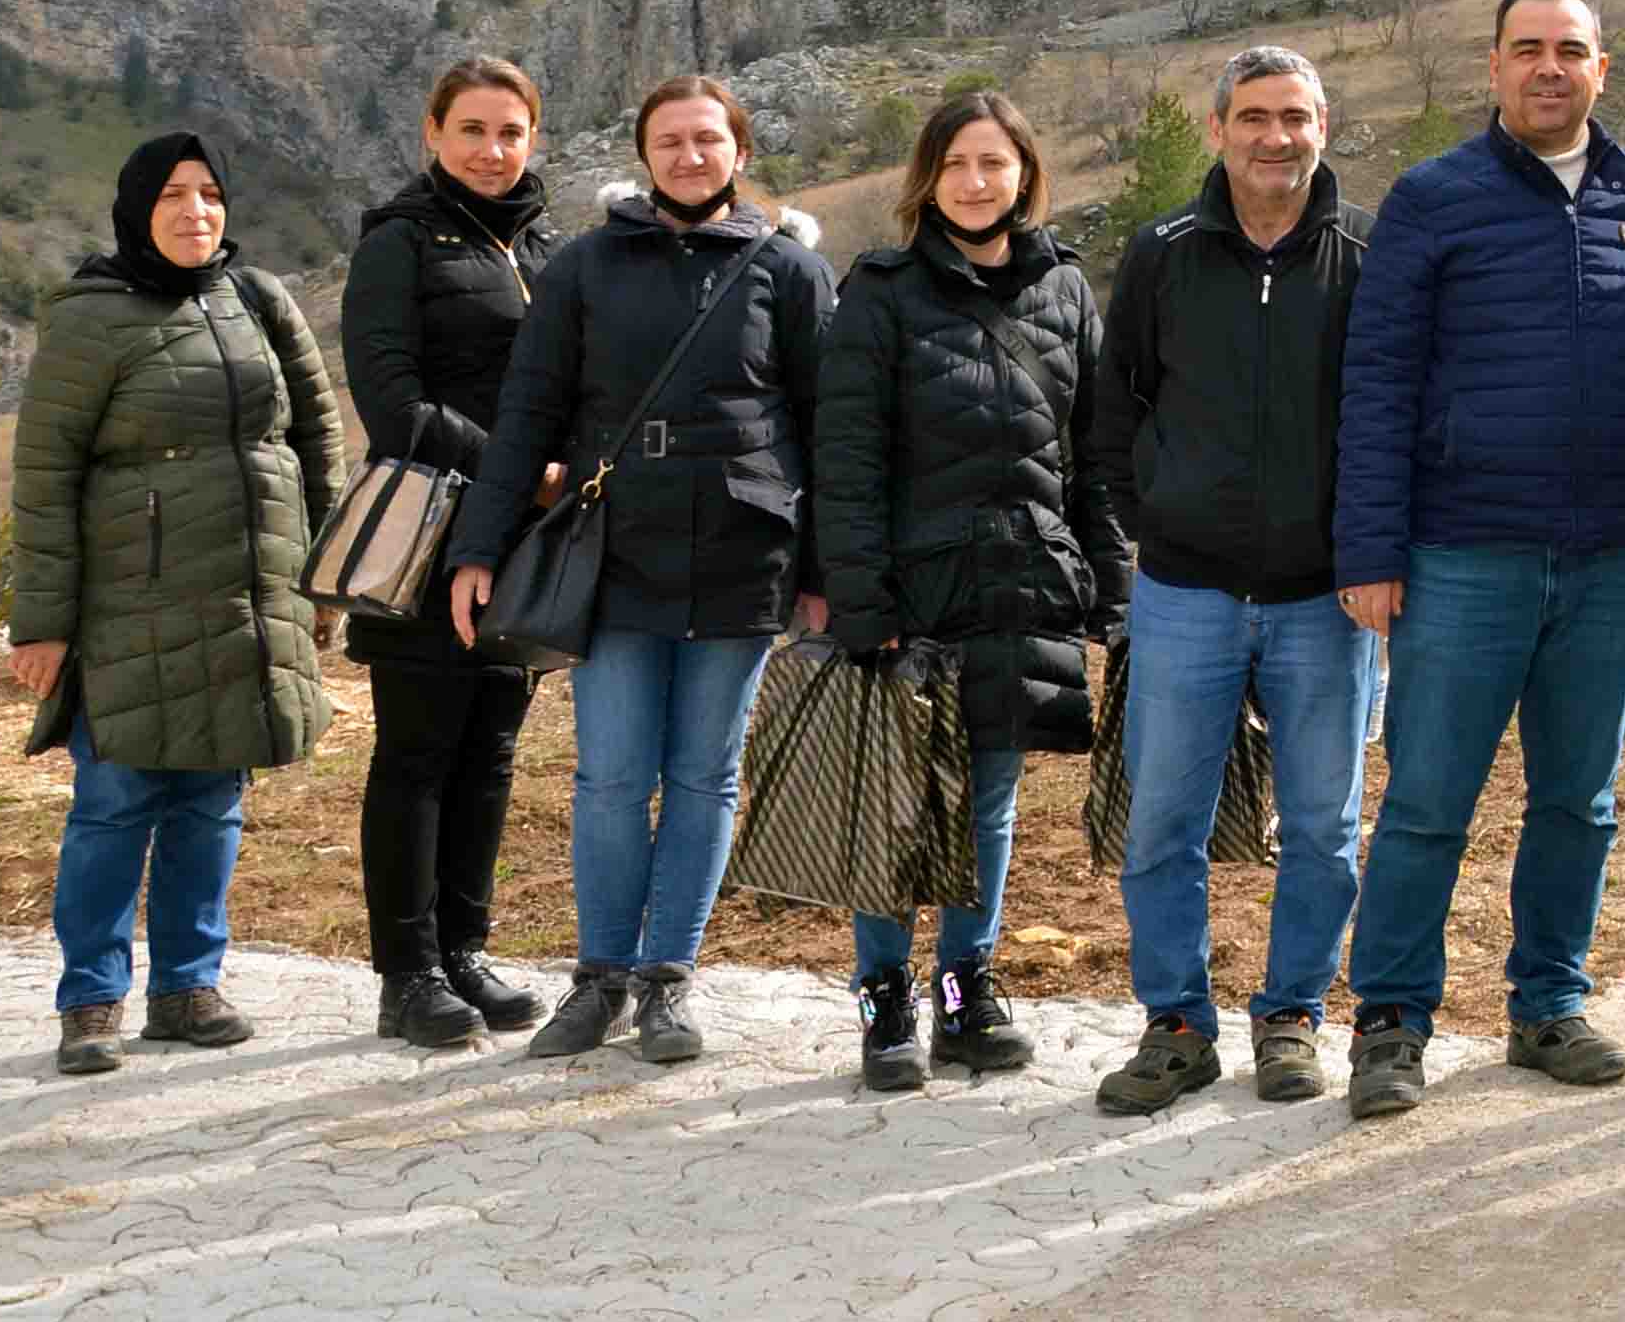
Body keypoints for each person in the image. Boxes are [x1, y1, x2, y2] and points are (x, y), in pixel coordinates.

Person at [1330, 0, 1625, 1116]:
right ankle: (1391, 1019)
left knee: (1579, 800)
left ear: (1604, 68)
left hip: (1610, 555)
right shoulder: (1436, 198)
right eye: (1528, 49)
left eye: (1571, 50)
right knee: (1430, 798)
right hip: (1464, 554)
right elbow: (1378, 378)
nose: (1550, 67)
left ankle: (1549, 1002)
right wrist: (1370, 548)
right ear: (1492, 67)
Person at [443, 74, 834, 1069]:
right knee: (612, 775)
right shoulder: (584, 266)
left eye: (709, 138)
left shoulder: (785, 268)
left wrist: (828, 566)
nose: (691, 155)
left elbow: (832, 429)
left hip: (747, 554)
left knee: (703, 776)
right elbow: (527, 410)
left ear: (738, 151)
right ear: (643, 152)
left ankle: (668, 978)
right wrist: (477, 546)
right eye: (671, 139)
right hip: (614, 553)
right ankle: (601, 975)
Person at [1080, 45, 1380, 1115]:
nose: (1274, 135)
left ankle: (1292, 1012)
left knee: (1324, 822)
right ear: (1218, 129)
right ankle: (1176, 1022)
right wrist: (1150, 519)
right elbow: (1116, 410)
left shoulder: (1365, 253)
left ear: (1324, 124)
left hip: (1324, 599)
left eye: (1294, 115)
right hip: (1186, 592)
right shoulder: (1163, 253)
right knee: (1165, 818)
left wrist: (1366, 552)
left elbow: (1386, 420)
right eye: (1253, 115)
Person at [10, 133, 346, 1075]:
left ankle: (188, 985)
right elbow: (43, 475)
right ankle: (91, 1001)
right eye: (172, 194)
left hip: (248, 593)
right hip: (132, 601)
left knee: (211, 800)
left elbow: (316, 434)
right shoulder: (90, 317)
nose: (195, 211)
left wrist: (327, 576)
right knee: (116, 802)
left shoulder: (258, 298)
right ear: (133, 207)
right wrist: (41, 622)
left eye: (209, 193)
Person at [813, 90, 1116, 1094]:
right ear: (928, 179)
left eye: (996, 162)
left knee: (988, 805)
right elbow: (846, 462)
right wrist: (864, 600)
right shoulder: (882, 290)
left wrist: (1109, 588)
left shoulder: (1066, 291)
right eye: (957, 164)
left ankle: (962, 994)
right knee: (897, 811)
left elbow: (1094, 457)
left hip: (1020, 590)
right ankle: (882, 999)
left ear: (1027, 171)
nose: (978, 181)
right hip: (914, 594)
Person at [337, 57, 566, 1050]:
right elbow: (394, 405)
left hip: (520, 538)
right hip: (430, 535)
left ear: (534, 138)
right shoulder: (398, 242)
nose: (491, 149)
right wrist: (527, 470)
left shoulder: (544, 246)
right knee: (418, 754)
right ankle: (408, 970)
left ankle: (466, 950)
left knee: (491, 753)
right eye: (472, 129)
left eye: (510, 131)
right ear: (432, 131)